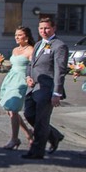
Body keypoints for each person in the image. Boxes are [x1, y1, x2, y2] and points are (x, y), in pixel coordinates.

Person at [22, 17, 68, 160]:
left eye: (47, 28)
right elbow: (31, 65)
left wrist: (56, 93)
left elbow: (60, 71)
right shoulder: (38, 45)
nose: (44, 31)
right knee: (29, 114)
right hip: (34, 87)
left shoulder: (59, 46)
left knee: (41, 121)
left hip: (47, 89)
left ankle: (36, 152)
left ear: (54, 28)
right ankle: (54, 135)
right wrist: (28, 76)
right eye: (41, 28)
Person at [0, 26, 35, 150]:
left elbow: (33, 67)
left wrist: (30, 79)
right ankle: (28, 133)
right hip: (10, 80)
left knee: (13, 109)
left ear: (27, 36)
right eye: (15, 35)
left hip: (21, 81)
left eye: (19, 35)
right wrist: (1, 65)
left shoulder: (31, 50)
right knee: (9, 110)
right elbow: (14, 66)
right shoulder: (15, 50)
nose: (16, 37)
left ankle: (14, 139)